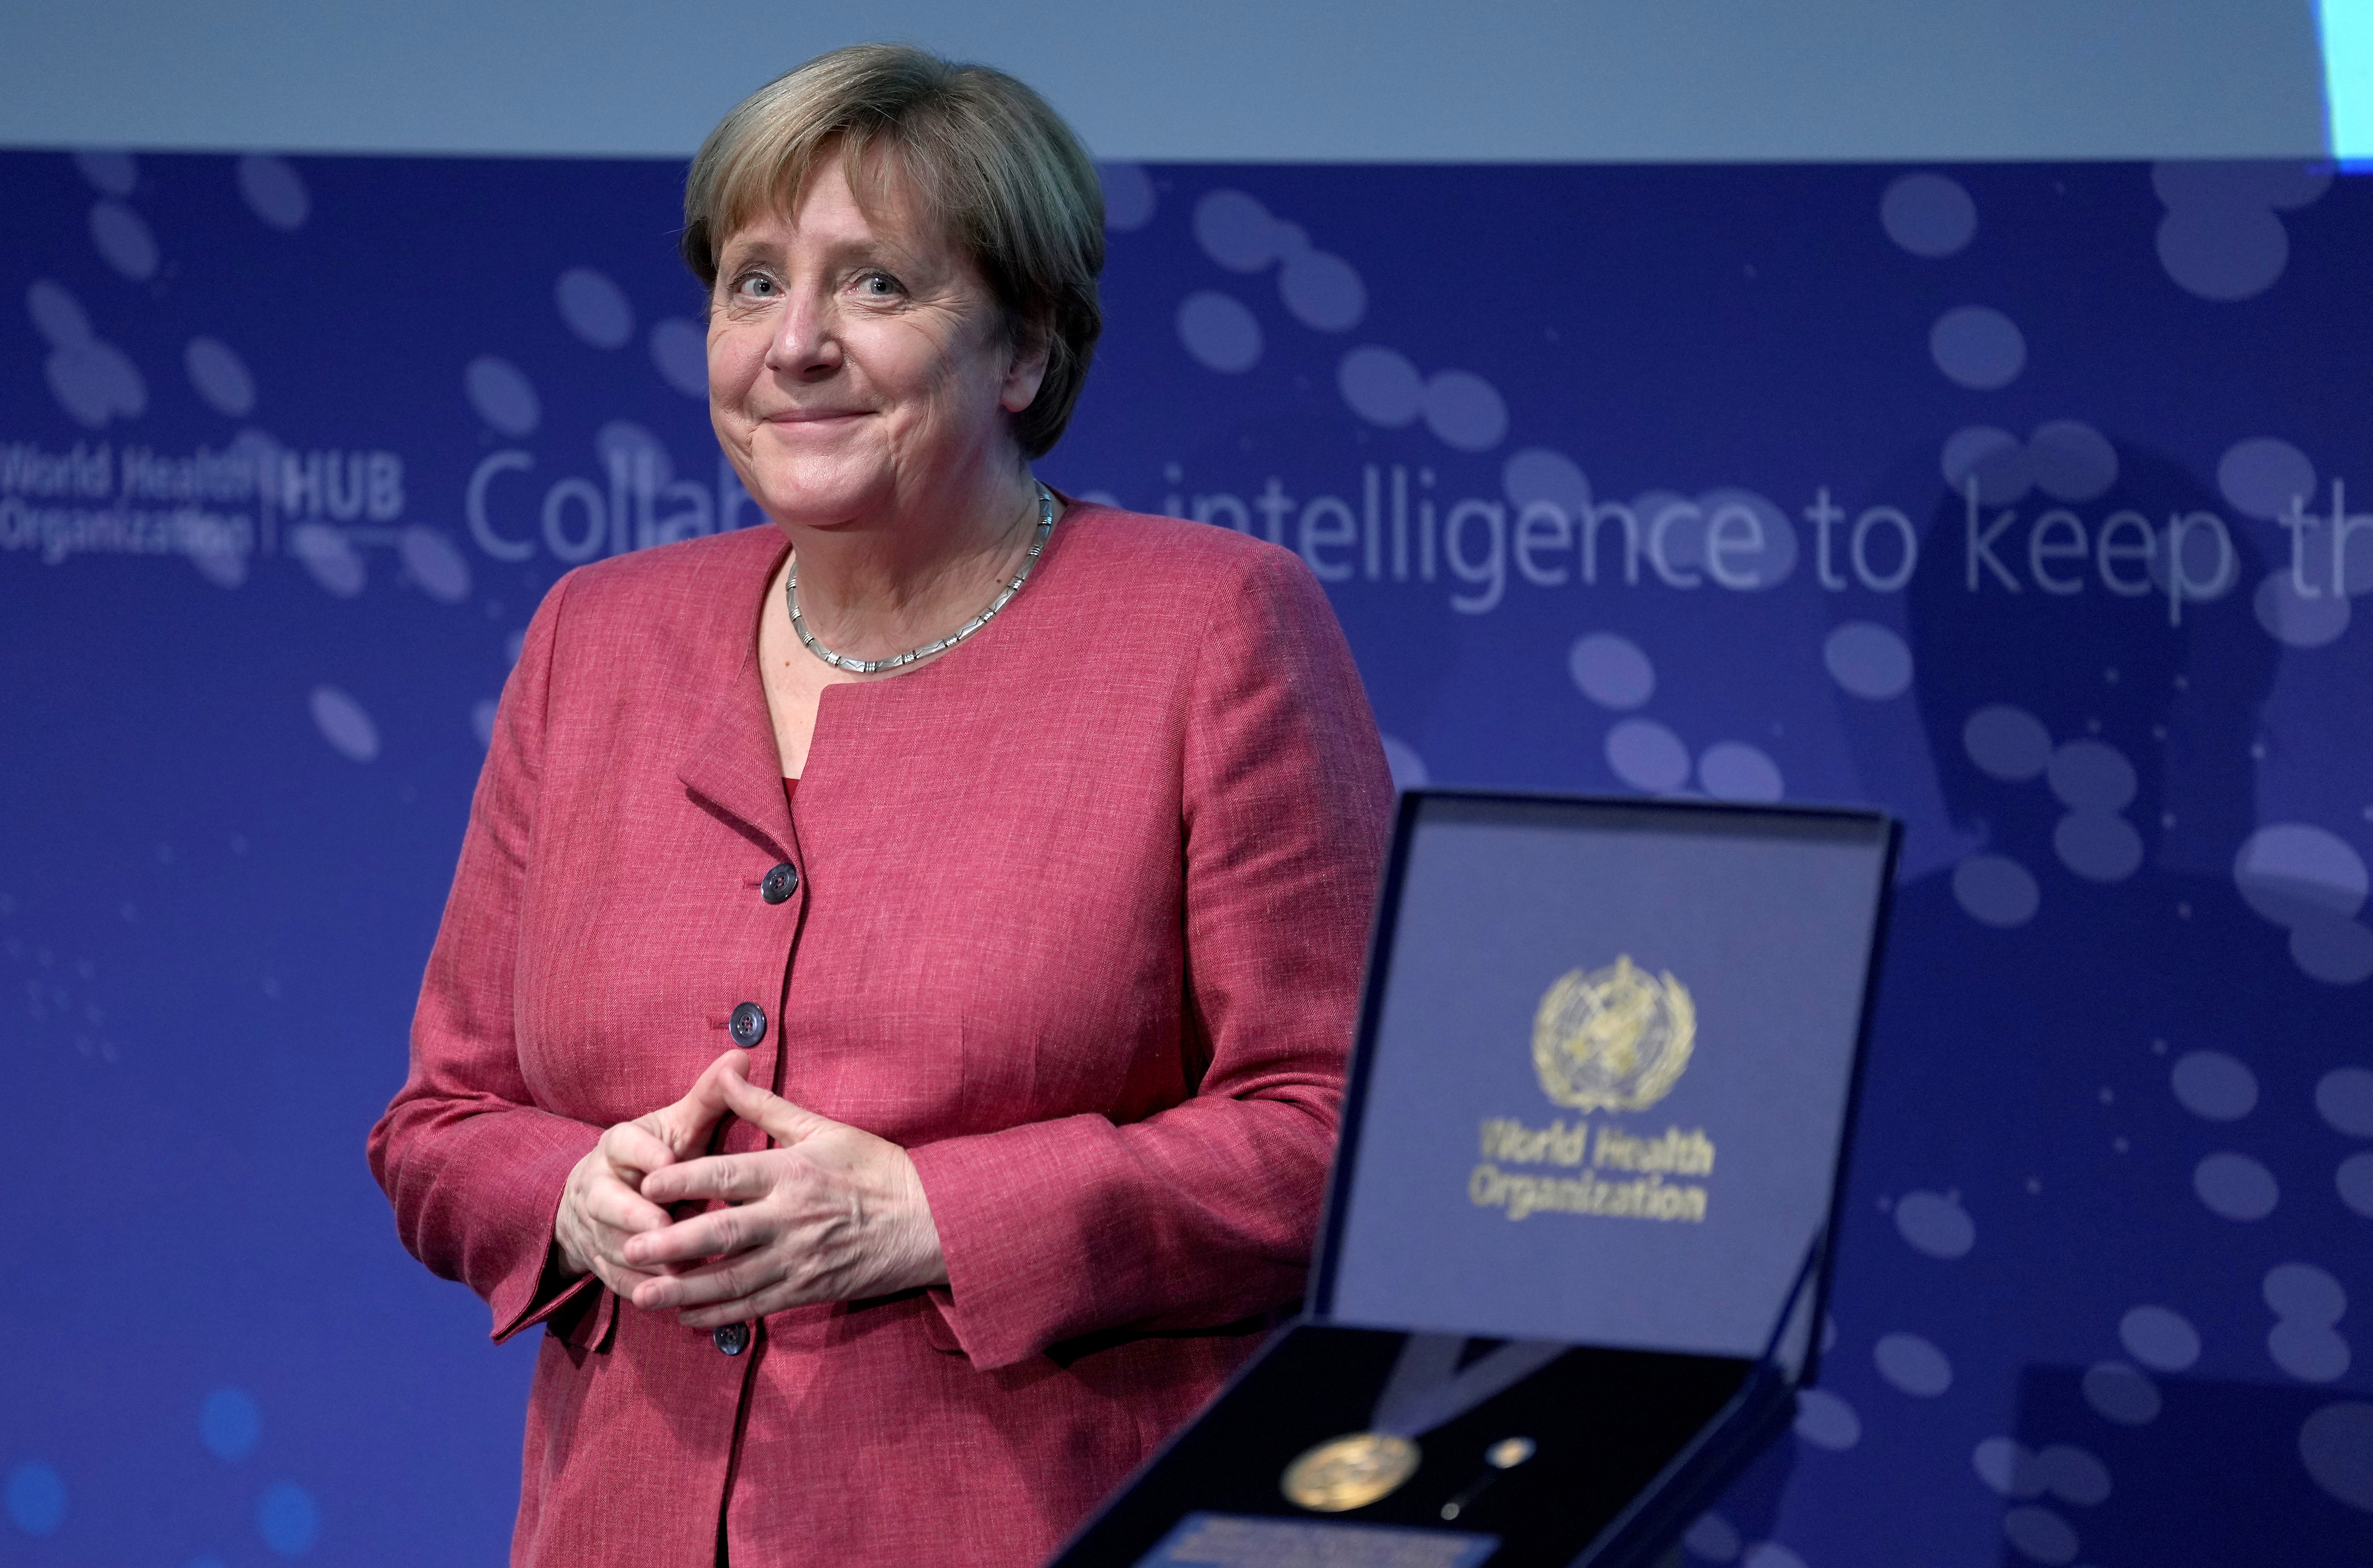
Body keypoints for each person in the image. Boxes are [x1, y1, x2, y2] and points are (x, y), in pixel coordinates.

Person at [366, 42, 1392, 1568]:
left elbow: (1347, 1139)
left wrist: (938, 1216)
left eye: (877, 286)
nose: (795, 345)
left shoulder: (1213, 627)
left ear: (1027, 350)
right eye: (752, 282)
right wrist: (571, 1197)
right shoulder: (598, 635)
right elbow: (441, 1123)